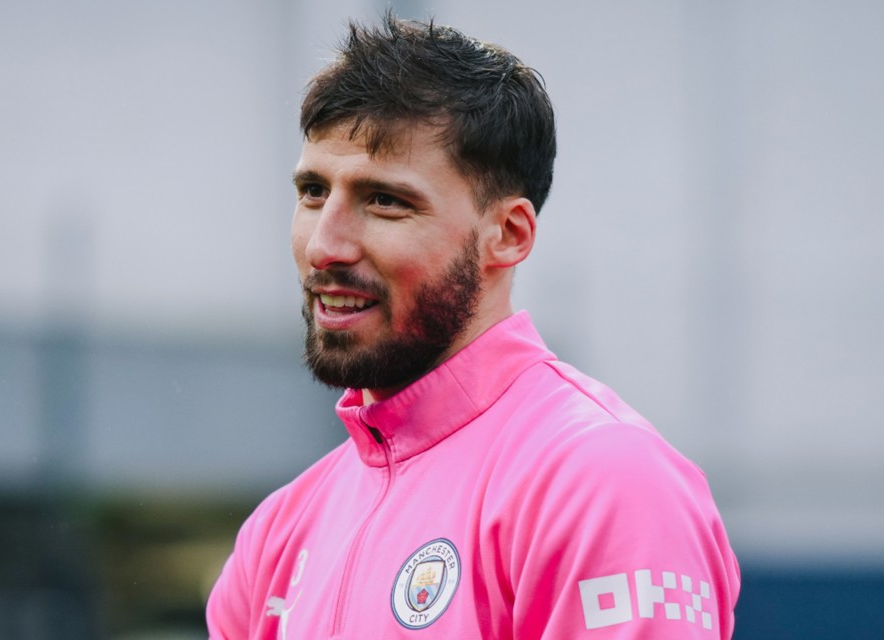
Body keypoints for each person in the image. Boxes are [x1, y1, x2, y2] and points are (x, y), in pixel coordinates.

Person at [207, 13, 740, 639]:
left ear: (507, 236)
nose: (326, 245)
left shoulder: (601, 481)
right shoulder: (279, 533)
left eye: (385, 200)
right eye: (313, 192)